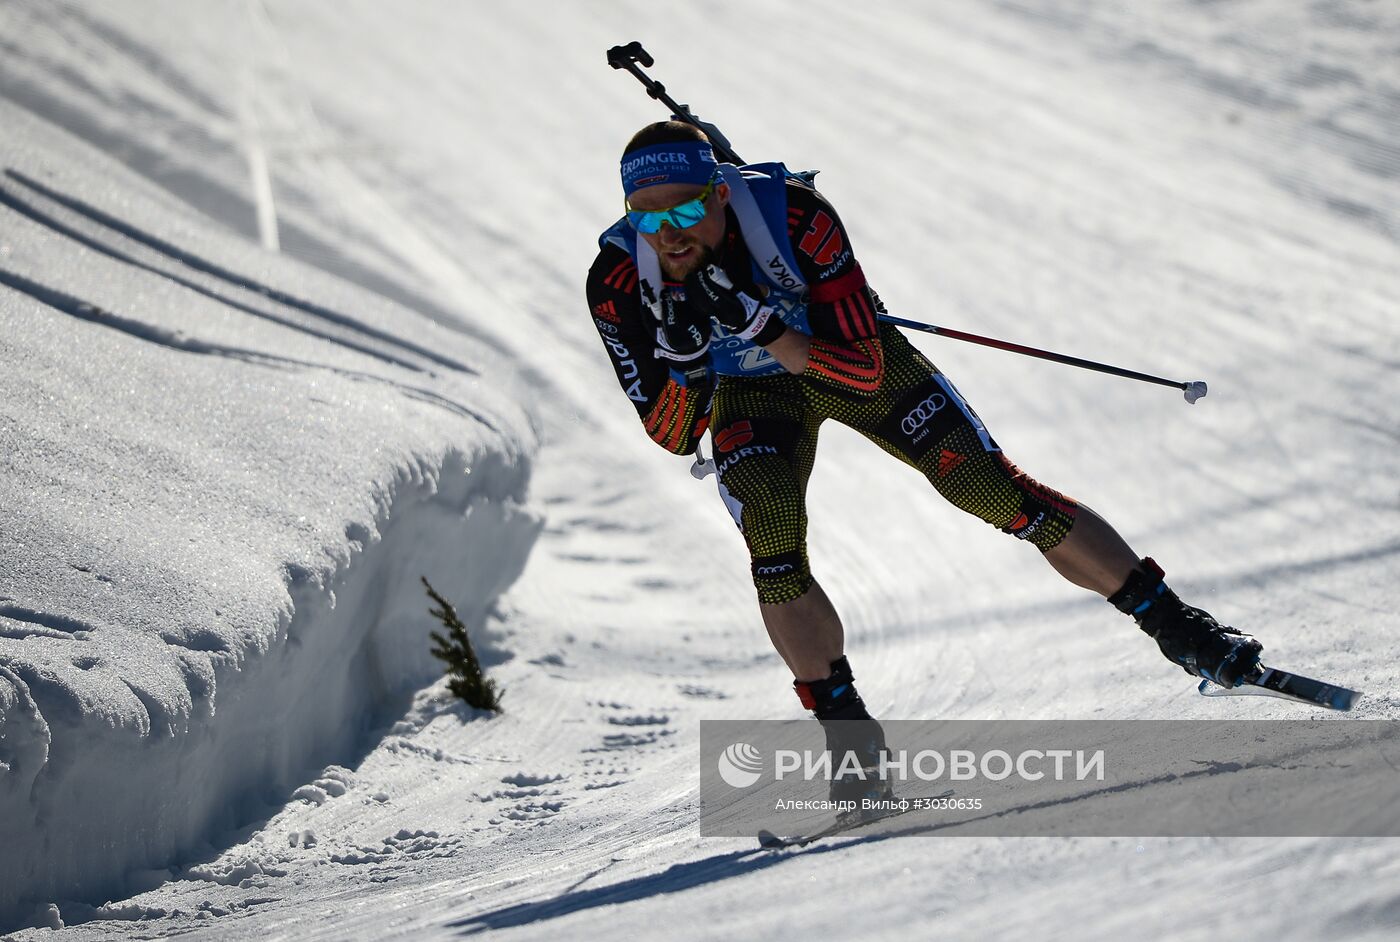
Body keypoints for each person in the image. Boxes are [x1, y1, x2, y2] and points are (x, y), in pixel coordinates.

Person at [585, 121, 1263, 810]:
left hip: (836, 356)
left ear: (721, 194)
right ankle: (851, 743)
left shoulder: (793, 216)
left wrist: (763, 326)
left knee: (990, 488)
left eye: (686, 209)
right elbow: (672, 434)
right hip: (750, 393)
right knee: (771, 528)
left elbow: (865, 368)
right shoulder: (616, 277)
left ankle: (1181, 629)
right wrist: (685, 362)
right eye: (647, 217)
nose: (668, 234)